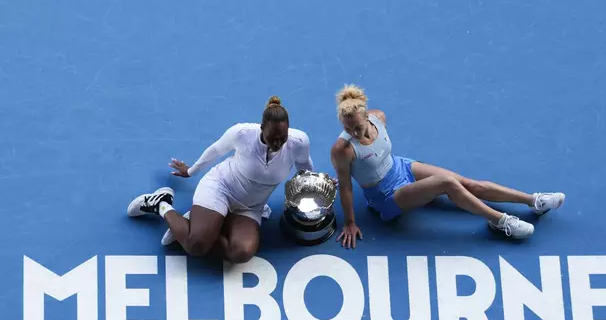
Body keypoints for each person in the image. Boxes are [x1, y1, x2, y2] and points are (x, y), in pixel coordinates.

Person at [330, 84, 565, 248]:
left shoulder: (379, 117)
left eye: (357, 126)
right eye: (347, 128)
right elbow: (346, 187)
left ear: (366, 115)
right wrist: (350, 222)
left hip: (402, 168)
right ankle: (499, 221)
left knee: (467, 183)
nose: (353, 132)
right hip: (386, 196)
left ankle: (533, 201)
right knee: (446, 183)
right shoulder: (343, 149)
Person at [126, 96, 314, 263]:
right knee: (196, 246)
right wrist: (190, 171)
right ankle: (161, 204)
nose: (278, 144)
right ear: (262, 127)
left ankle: (193, 225)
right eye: (273, 138)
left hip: (250, 207)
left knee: (241, 253)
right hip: (221, 189)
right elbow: (215, 151)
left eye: (283, 138)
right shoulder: (242, 134)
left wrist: (316, 185)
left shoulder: (299, 142)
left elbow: (305, 169)